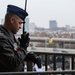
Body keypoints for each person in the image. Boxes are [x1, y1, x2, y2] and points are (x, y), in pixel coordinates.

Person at [0, 4, 41, 72]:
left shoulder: (9, 36)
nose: (20, 27)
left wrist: (29, 55)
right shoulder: (2, 38)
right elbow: (11, 63)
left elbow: (16, 53)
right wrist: (23, 47)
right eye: (19, 23)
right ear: (12, 20)